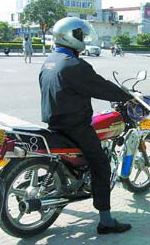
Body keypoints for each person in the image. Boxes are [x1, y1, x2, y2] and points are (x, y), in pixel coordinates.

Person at [39, 17, 133, 234]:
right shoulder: (75, 65)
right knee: (101, 165)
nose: (83, 39)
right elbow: (101, 87)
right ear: (70, 36)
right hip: (75, 125)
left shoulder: (51, 60)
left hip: (54, 122)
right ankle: (106, 221)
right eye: (80, 35)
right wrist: (126, 96)